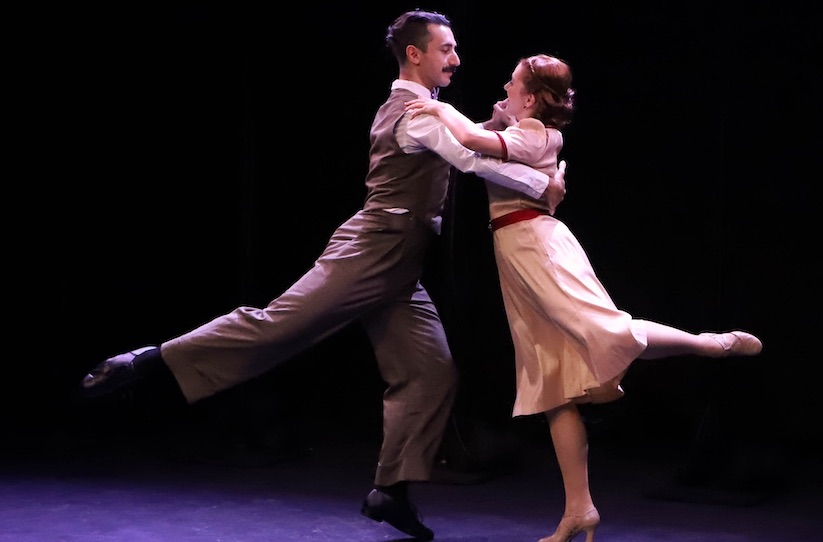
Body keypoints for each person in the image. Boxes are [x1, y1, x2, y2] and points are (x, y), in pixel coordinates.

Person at [78, 11, 566, 542]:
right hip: (372, 248)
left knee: (431, 372)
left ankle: (390, 492)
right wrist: (542, 186)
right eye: (446, 49)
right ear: (414, 54)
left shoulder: (430, 111)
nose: (456, 58)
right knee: (277, 325)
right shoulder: (415, 112)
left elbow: (467, 142)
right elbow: (469, 161)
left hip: (402, 264)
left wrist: (496, 128)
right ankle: (147, 363)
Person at [404, 53, 763, 542]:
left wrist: (431, 106)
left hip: (537, 245)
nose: (504, 88)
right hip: (516, 253)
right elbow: (485, 152)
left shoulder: (537, 134)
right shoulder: (524, 132)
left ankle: (708, 344)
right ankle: (580, 508)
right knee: (553, 381)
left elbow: (468, 143)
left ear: (530, 97)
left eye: (511, 84)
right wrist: (492, 120)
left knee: (605, 330)